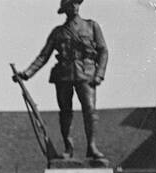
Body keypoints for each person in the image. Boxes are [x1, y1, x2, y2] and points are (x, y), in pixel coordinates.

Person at [14, 0, 108, 162]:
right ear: (64, 9)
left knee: (90, 110)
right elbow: (44, 56)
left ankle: (91, 147)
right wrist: (27, 73)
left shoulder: (91, 26)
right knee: (65, 112)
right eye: (71, 4)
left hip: (87, 74)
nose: (75, 7)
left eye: (77, 3)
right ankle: (68, 147)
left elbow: (103, 51)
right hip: (63, 75)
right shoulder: (58, 32)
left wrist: (99, 74)